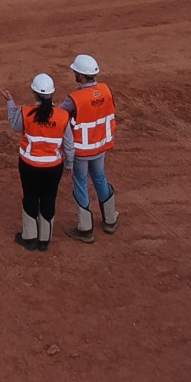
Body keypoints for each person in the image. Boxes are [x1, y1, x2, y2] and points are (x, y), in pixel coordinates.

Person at [5, 73, 72, 252]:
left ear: (34, 94)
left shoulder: (26, 113)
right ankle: (44, 240)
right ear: (52, 94)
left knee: (30, 197)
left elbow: (15, 125)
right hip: (54, 167)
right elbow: (69, 144)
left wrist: (10, 103)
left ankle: (29, 237)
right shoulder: (63, 115)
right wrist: (69, 164)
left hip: (29, 165)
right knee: (49, 198)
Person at [62, 53, 119, 242]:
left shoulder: (75, 98)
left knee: (80, 183)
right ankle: (110, 219)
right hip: (100, 145)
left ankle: (85, 228)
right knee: (100, 178)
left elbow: (60, 115)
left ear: (81, 75)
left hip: (81, 150)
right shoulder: (105, 90)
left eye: (75, 72)